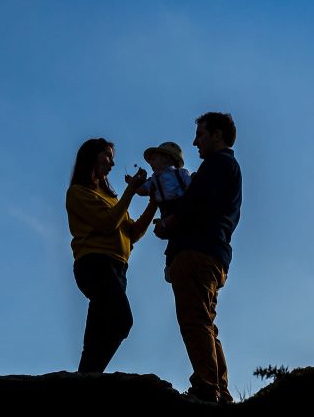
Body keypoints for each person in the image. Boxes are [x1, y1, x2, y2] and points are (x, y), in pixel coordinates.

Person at [155, 112, 242, 404]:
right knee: (205, 320)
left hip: (196, 251)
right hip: (215, 254)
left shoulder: (217, 165)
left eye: (201, 135)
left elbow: (194, 204)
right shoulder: (228, 168)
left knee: (194, 319)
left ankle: (207, 387)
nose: (195, 142)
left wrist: (168, 223)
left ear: (217, 135)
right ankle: (220, 388)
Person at [65, 137, 157, 373]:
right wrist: (131, 190)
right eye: (107, 155)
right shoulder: (77, 193)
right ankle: (91, 375)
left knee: (98, 331)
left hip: (118, 269)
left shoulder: (111, 198)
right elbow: (107, 224)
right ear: (91, 157)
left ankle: (85, 376)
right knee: (121, 320)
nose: (112, 163)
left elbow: (132, 233)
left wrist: (154, 202)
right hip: (95, 264)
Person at [135, 141, 192, 282]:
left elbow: (192, 190)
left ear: (166, 158)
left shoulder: (181, 173)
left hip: (183, 208)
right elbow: (142, 191)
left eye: (154, 159)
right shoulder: (153, 180)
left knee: (183, 236)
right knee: (174, 239)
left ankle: (179, 263)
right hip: (166, 210)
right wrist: (136, 183)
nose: (151, 162)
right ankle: (170, 264)